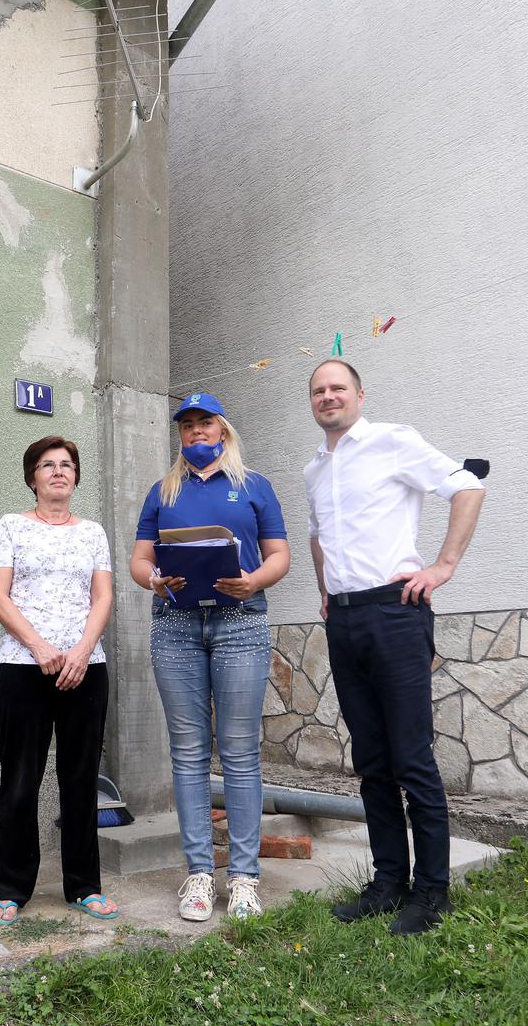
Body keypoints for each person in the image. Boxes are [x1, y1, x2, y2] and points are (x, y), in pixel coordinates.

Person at [304, 359, 487, 936]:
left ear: (360, 394)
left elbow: (468, 487)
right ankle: (388, 883)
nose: (328, 396)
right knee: (372, 762)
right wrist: (326, 592)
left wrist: (443, 566)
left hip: (395, 610)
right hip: (344, 620)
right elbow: (317, 537)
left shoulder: (393, 442)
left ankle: (432, 893)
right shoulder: (315, 468)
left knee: (411, 758)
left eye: (338, 388)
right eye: (318, 391)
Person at [129, 391, 290, 922]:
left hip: (240, 622)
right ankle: (199, 874)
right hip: (175, 626)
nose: (196, 431)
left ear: (223, 429)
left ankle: (244, 879)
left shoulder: (254, 485)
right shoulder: (163, 491)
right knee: (189, 753)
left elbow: (279, 555)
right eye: (187, 425)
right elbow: (139, 560)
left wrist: (254, 581)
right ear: (180, 435)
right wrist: (154, 580)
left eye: (205, 423)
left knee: (240, 753)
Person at [0, 437, 117, 926]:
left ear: (76, 477)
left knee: (80, 780)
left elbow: (102, 597)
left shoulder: (93, 532)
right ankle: (12, 888)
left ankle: (84, 886)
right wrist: (39, 646)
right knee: (21, 779)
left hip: (86, 668)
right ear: (32, 477)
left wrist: (81, 651)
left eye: (67, 465)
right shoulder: (10, 526)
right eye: (47, 465)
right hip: (23, 668)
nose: (59, 471)